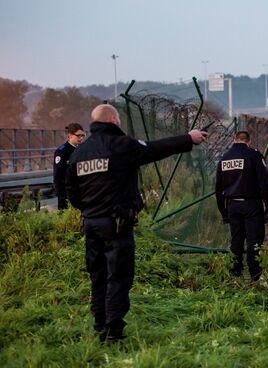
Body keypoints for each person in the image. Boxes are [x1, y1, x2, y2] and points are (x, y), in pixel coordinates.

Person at [65, 104, 207, 343]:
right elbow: (155, 149)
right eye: (118, 119)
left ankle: (100, 325)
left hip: (90, 223)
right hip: (116, 224)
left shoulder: (79, 154)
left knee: (97, 276)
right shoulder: (121, 146)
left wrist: (91, 210)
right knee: (118, 277)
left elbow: (72, 193)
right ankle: (114, 332)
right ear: (112, 119)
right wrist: (189, 139)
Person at [215, 131, 268, 283]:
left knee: (236, 241)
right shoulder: (253, 155)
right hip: (251, 204)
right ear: (249, 141)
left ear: (234, 139)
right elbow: (265, 183)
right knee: (254, 242)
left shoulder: (224, 158)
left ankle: (235, 276)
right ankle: (255, 278)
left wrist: (223, 212)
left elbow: (218, 188)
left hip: (233, 205)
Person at [53, 123, 85, 209]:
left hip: (79, 191)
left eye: (82, 136)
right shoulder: (62, 151)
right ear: (70, 136)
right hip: (66, 192)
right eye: (78, 136)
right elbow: (58, 175)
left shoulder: (82, 150)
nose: (81, 138)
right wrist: (62, 195)